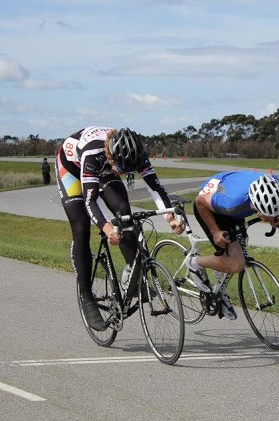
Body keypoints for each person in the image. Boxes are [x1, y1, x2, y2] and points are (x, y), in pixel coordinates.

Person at [55, 126, 185, 331]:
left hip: (105, 167)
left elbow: (156, 187)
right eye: (122, 169)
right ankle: (86, 296)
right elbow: (90, 201)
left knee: (124, 210)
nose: (125, 174)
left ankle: (131, 273)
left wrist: (170, 216)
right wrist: (107, 228)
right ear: (112, 155)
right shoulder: (93, 153)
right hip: (71, 167)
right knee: (81, 228)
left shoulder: (137, 154)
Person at [187, 171, 279, 320]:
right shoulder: (231, 203)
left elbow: (271, 201)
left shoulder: (274, 184)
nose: (268, 218)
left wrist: (274, 216)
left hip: (233, 197)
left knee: (239, 245)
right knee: (235, 263)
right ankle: (194, 263)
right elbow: (199, 201)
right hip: (209, 204)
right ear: (253, 204)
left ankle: (219, 289)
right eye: (264, 214)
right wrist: (215, 232)